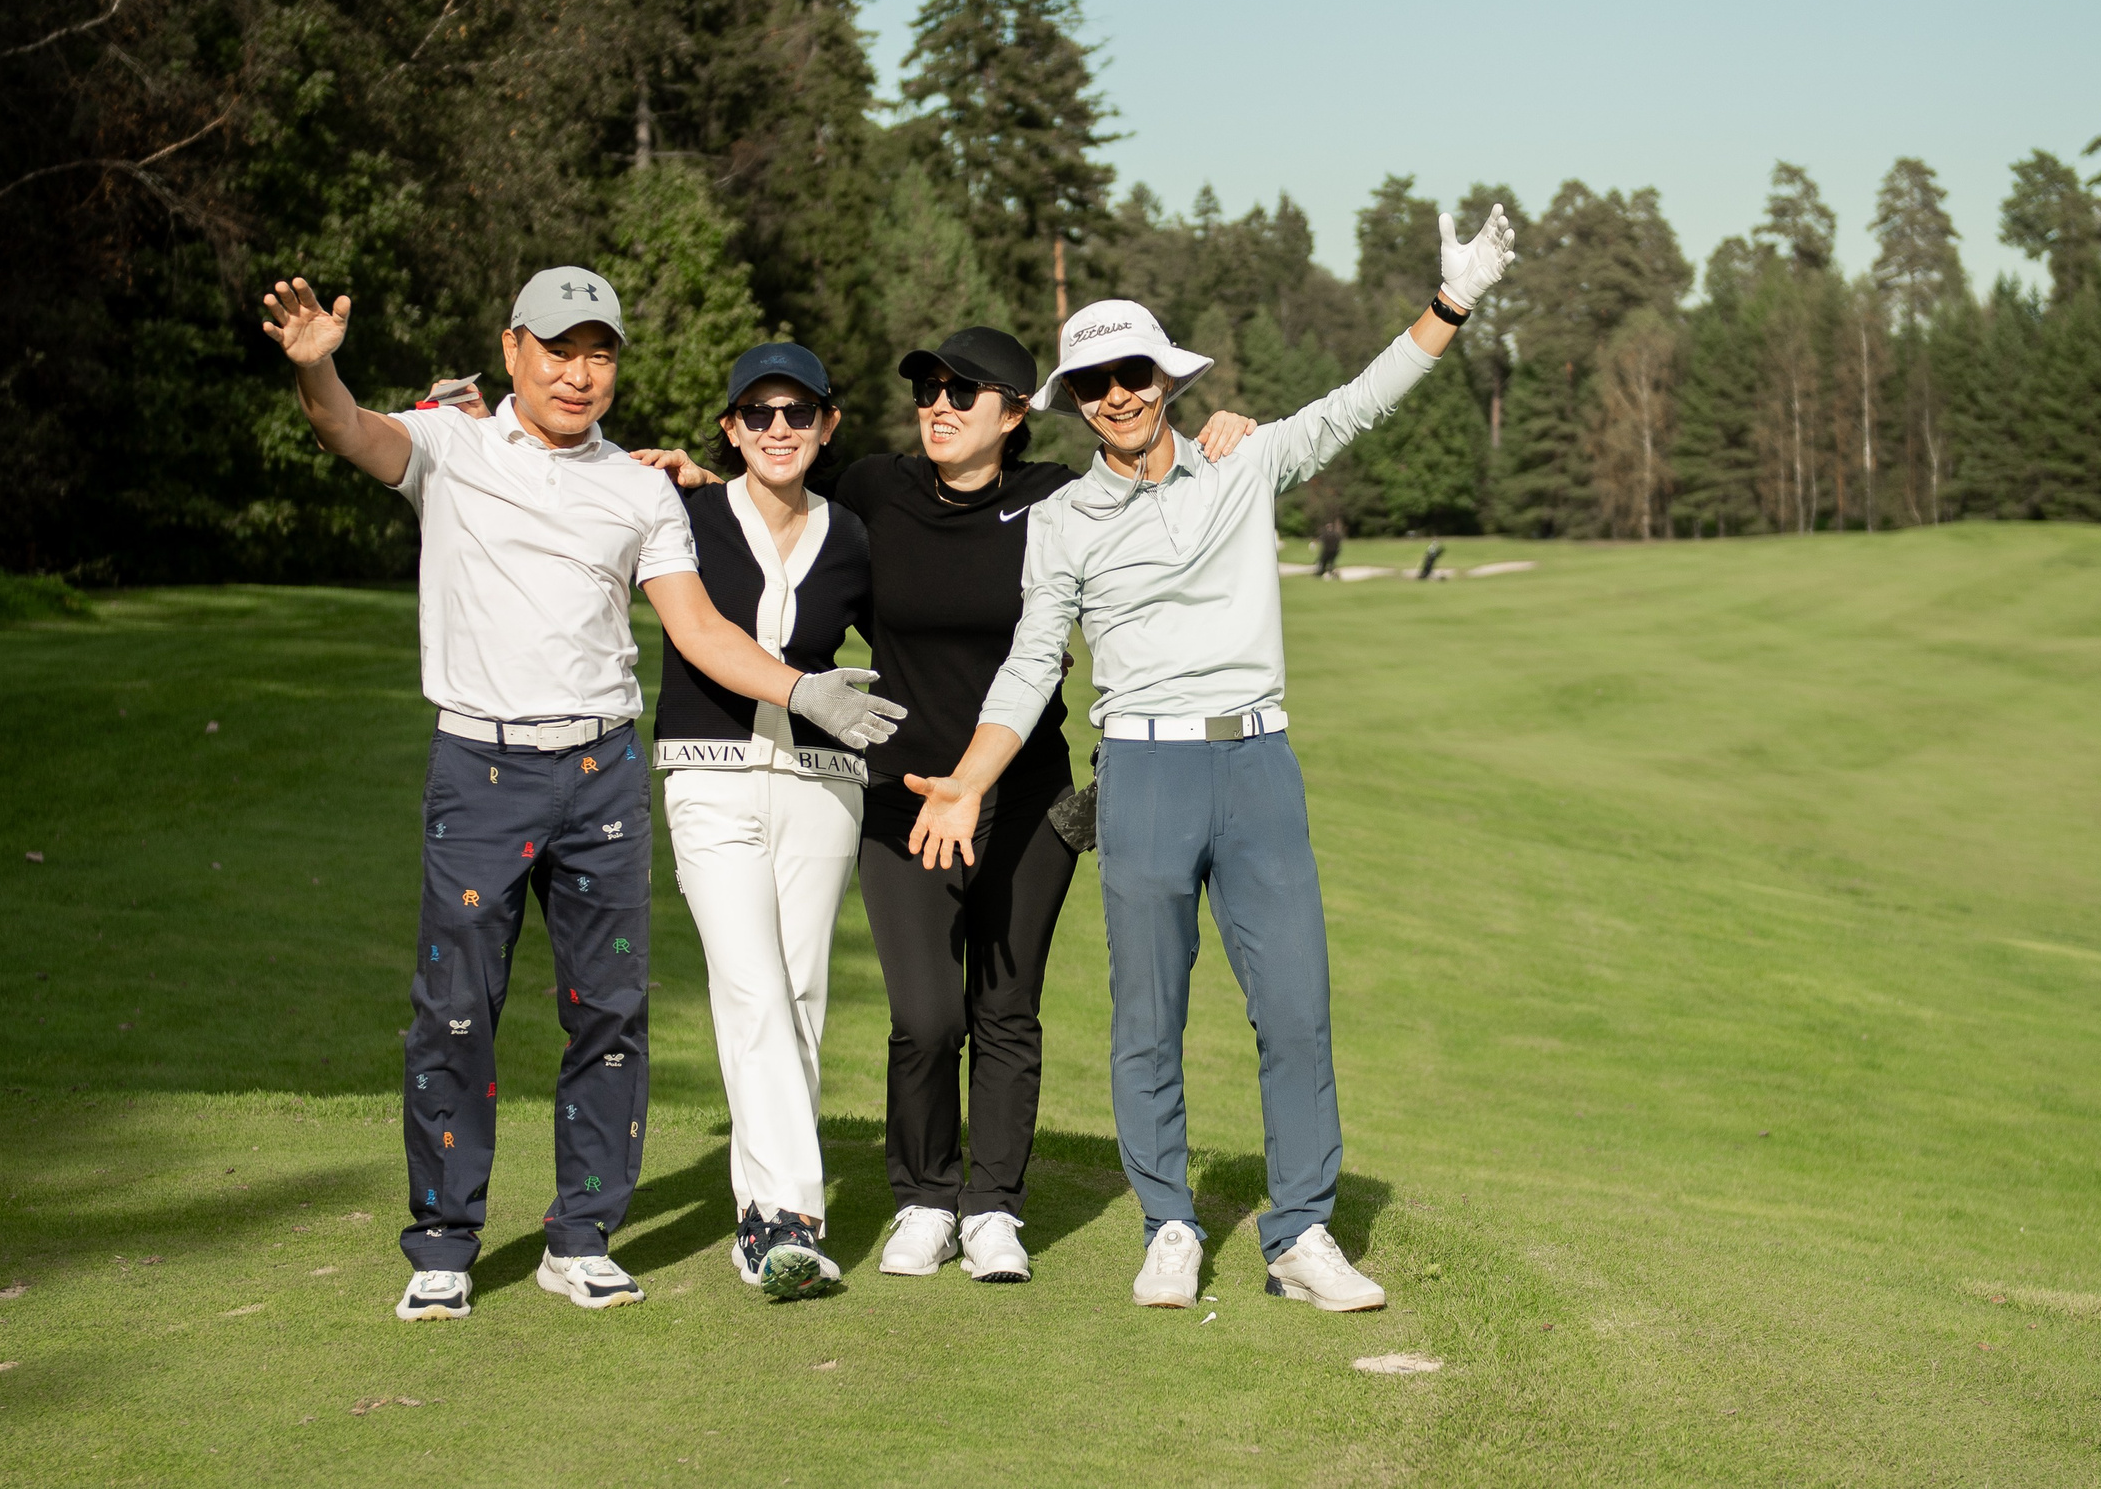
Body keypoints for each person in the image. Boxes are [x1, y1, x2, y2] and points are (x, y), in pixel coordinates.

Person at [262, 267, 904, 1324]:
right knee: (456, 1013)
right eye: (557, 349)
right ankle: (444, 1242)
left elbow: (695, 629)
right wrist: (317, 368)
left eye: (598, 351)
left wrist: (802, 689)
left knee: (607, 1013)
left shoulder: (641, 487)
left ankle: (581, 1236)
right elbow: (347, 431)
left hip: (600, 769)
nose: (578, 372)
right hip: (481, 766)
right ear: (512, 349)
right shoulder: (450, 446)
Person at [905, 207, 1517, 1312]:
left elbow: (1360, 402)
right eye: (1093, 384)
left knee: (1294, 1010)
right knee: (1147, 1019)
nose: (1117, 397)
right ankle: (1169, 1224)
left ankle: (1300, 1234)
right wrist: (969, 778)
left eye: (1132, 373)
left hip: (1255, 767)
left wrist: (1452, 303)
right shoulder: (1062, 521)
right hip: (1139, 777)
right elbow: (1031, 664)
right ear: (1077, 402)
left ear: (1164, 378)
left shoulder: (1243, 462)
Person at [637, 330, 1252, 1287]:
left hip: (1030, 795)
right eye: (928, 387)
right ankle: (924, 1195)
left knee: (1006, 1009)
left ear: (1015, 412)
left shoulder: (1056, 497)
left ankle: (994, 1207)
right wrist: (688, 475)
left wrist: (1218, 436)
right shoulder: (876, 491)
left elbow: (1151, 569)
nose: (941, 404)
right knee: (926, 1016)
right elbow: (770, 493)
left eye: (966, 391)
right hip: (900, 795)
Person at [651, 343, 874, 1301]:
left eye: (798, 412)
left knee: (803, 995)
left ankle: (772, 1214)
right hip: (709, 779)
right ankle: (783, 1224)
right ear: (730, 427)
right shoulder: (682, 513)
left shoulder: (858, 535)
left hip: (826, 782)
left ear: (827, 426)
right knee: (751, 990)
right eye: (759, 413)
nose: (778, 429)